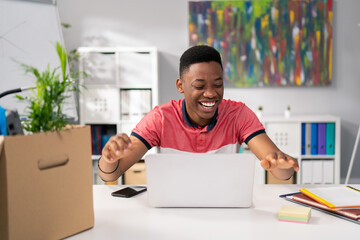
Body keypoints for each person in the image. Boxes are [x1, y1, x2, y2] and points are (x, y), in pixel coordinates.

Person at [98, 45, 299, 182]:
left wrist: (282, 164)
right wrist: (109, 159)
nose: (211, 93)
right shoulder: (160, 119)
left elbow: (283, 173)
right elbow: (110, 175)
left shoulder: (238, 115)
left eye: (218, 84)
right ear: (180, 85)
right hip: (174, 210)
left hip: (225, 208)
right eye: (199, 86)